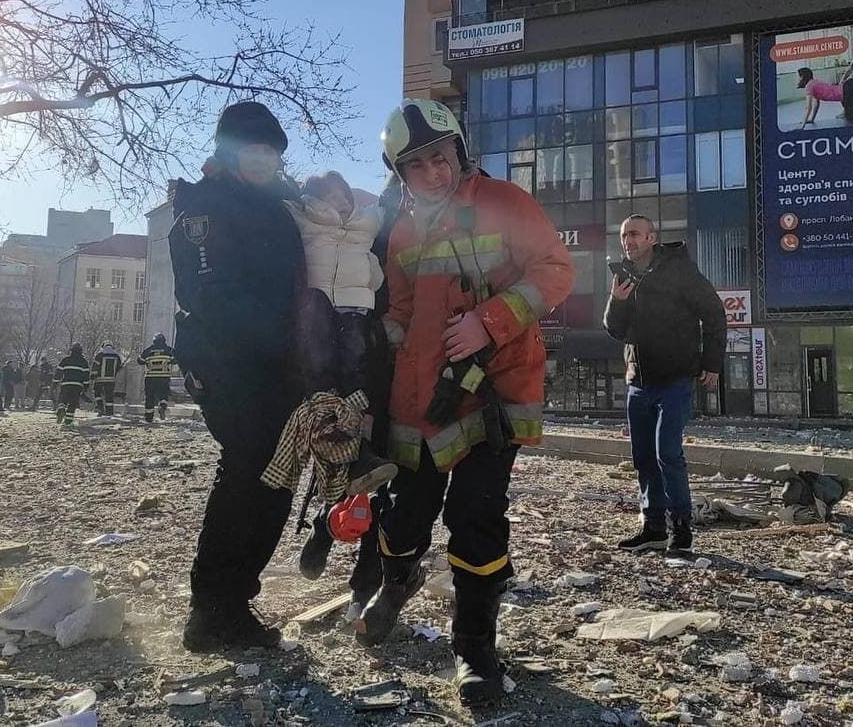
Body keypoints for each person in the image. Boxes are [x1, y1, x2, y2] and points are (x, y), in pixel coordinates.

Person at [354, 100, 574, 708]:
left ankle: (474, 646)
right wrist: (368, 342)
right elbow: (401, 311)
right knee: (402, 515)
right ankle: (397, 582)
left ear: (460, 150)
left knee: (476, 519)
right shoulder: (401, 229)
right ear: (400, 174)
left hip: (493, 392)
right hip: (420, 398)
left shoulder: (506, 202)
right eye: (417, 163)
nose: (433, 170)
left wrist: (490, 320)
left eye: (440, 155)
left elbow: (556, 270)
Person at [170, 100, 313, 652]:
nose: (264, 159)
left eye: (271, 151)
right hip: (228, 360)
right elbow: (207, 291)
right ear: (229, 151)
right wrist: (283, 335)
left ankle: (235, 598)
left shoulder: (278, 205)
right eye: (253, 149)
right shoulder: (204, 204)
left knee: (277, 475)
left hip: (278, 363)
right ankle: (211, 608)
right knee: (247, 467)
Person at [289, 171, 397, 581]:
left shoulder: (373, 227)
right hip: (364, 345)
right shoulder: (375, 219)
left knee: (379, 462)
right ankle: (323, 526)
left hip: (381, 342)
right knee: (344, 442)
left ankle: (367, 578)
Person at [604, 214, 726, 555]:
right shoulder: (623, 276)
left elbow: (714, 312)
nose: (628, 241)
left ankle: (680, 529)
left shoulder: (679, 270)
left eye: (635, 234)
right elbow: (614, 330)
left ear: (651, 238)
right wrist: (618, 301)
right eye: (625, 235)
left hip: (675, 378)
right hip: (638, 383)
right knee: (643, 457)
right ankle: (653, 526)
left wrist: (712, 363)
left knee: (667, 453)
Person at [138, 333, 177, 423]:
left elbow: (140, 361)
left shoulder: (148, 350)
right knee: (163, 394)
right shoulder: (169, 350)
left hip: (150, 378)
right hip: (164, 377)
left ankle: (149, 418)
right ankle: (162, 406)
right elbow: (176, 359)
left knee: (149, 397)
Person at [55, 344, 90, 425]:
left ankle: (61, 408)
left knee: (63, 400)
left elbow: (58, 372)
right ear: (81, 351)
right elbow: (86, 376)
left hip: (65, 384)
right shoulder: (84, 362)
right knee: (72, 404)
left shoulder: (65, 360)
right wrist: (85, 387)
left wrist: (55, 382)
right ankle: (68, 422)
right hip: (77, 386)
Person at [90, 342, 122, 416]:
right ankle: (109, 412)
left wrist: (92, 376)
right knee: (109, 396)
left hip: (99, 379)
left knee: (97, 393)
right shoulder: (117, 355)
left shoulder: (100, 354)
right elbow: (119, 367)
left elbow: (95, 366)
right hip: (111, 380)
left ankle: (100, 408)